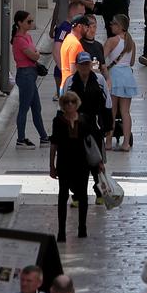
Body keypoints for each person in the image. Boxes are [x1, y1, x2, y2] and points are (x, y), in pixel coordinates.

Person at [49, 89, 93, 241]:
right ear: (62, 105)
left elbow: (91, 143)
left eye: (72, 102)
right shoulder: (58, 121)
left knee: (83, 195)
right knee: (63, 196)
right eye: (66, 102)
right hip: (64, 163)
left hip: (82, 163)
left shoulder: (84, 120)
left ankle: (82, 227)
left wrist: (98, 162)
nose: (70, 105)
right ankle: (61, 231)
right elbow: (54, 144)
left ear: (77, 104)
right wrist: (52, 165)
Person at [12, 10, 49, 149]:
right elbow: (34, 55)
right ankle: (21, 139)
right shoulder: (19, 40)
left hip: (31, 74)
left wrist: (36, 53)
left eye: (31, 21)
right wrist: (36, 53)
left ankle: (43, 137)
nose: (31, 23)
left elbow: (34, 53)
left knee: (36, 107)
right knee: (24, 107)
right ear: (19, 23)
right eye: (28, 21)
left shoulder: (27, 37)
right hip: (25, 75)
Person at [106, 14, 140, 151]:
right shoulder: (131, 42)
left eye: (113, 23)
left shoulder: (112, 41)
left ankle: (108, 142)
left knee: (112, 111)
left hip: (114, 77)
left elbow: (101, 59)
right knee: (125, 112)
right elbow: (131, 62)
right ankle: (126, 143)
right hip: (127, 77)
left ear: (120, 26)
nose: (111, 25)